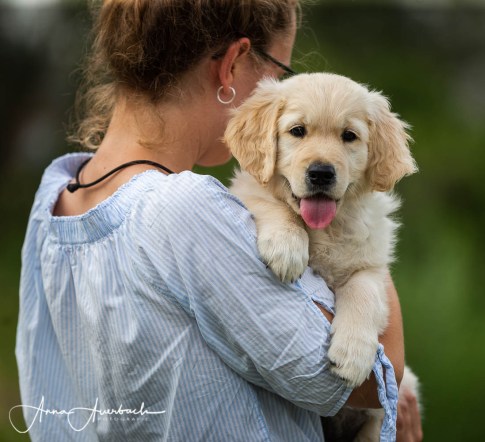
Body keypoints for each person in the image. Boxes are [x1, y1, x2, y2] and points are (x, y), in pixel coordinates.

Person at [15, 0, 422, 440]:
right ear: (232, 65)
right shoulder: (185, 210)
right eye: (279, 73)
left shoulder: (52, 196)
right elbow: (362, 380)